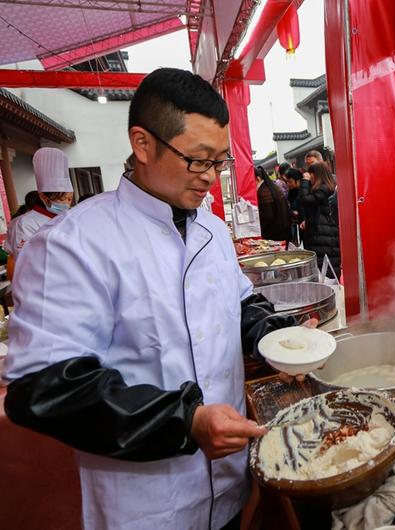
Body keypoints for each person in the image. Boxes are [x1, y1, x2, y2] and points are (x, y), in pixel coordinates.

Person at [3, 68, 302, 530]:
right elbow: (44, 387)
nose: (209, 178)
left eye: (219, 162)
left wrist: (279, 337)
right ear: (142, 144)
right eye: (199, 160)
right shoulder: (74, 244)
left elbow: (239, 303)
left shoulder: (213, 231)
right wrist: (185, 421)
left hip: (228, 485)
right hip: (146, 504)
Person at [5, 147, 74, 259]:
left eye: (70, 199)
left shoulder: (71, 216)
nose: (66, 204)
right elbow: (26, 259)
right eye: (61, 200)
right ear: (43, 197)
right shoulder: (24, 224)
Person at [298, 162, 340, 275]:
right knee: (326, 264)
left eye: (310, 174)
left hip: (324, 235)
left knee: (326, 266)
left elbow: (305, 200)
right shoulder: (326, 187)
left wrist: (305, 182)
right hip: (324, 233)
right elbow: (316, 209)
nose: (309, 177)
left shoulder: (324, 189)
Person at [255, 165, 291, 241]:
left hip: (275, 232)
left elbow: (268, 215)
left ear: (258, 178)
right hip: (282, 228)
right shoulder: (270, 186)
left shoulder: (263, 191)